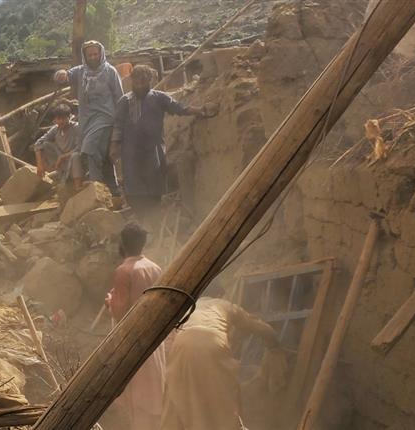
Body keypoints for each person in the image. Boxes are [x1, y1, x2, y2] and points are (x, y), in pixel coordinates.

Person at [160, 295, 281, 430]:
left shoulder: (186, 309)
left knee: (178, 396)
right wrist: (274, 345)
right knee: (225, 400)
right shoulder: (224, 305)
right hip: (213, 344)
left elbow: (167, 342)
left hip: (181, 345)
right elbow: (254, 325)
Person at [112, 64, 212, 218]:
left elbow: (179, 108)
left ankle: (153, 218)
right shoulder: (124, 101)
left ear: (150, 81)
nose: (139, 86)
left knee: (154, 182)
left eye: (143, 82)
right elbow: (118, 125)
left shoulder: (159, 98)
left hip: (153, 149)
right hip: (131, 151)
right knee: (133, 184)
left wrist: (199, 110)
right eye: (136, 82)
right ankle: (140, 217)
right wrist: (115, 146)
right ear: (132, 82)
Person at [104, 223, 166, 430]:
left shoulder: (124, 270)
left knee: (137, 393)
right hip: (155, 336)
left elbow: (120, 311)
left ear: (122, 243)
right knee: (155, 388)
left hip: (132, 340)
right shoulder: (154, 267)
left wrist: (110, 300)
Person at [54, 40, 123, 197]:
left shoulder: (110, 72)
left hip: (106, 118)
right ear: (84, 56)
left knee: (90, 150)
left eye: (95, 54)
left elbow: (120, 97)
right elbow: (62, 77)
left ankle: (96, 190)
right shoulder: (80, 72)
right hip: (87, 121)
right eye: (89, 54)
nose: (93, 57)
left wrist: (120, 123)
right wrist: (61, 74)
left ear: (101, 54)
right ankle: (114, 191)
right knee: (103, 156)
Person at [33, 103, 83, 187]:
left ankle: (77, 186)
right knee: (45, 145)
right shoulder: (55, 129)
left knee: (75, 156)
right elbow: (38, 143)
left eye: (64, 118)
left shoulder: (76, 128)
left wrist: (63, 156)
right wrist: (39, 165)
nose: (61, 121)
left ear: (69, 117)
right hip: (61, 162)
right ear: (55, 120)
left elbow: (80, 147)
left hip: (73, 159)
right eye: (58, 119)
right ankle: (57, 173)